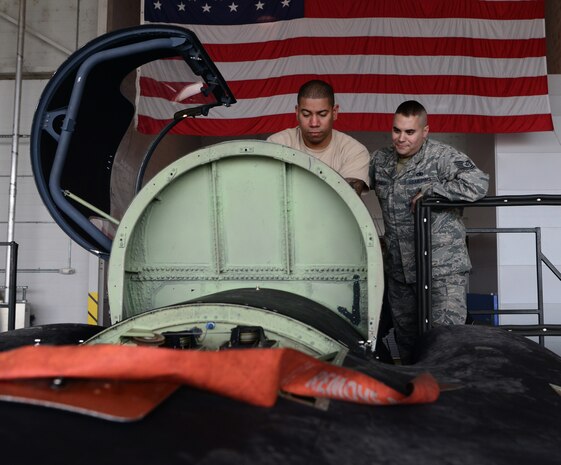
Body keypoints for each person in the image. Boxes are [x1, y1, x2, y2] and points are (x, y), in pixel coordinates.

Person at [369, 100, 489, 364]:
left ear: (425, 131)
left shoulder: (442, 157)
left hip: (441, 271)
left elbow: (479, 184)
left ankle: (452, 402)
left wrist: (435, 190)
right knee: (408, 347)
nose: (401, 138)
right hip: (401, 274)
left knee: (446, 343)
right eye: (396, 130)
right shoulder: (380, 160)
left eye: (409, 132)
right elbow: (356, 184)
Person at [267, 79, 370, 195]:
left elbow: (347, 203)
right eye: (306, 114)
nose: (314, 123)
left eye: (322, 114)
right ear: (297, 112)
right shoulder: (276, 144)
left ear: (335, 112)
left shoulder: (354, 151)